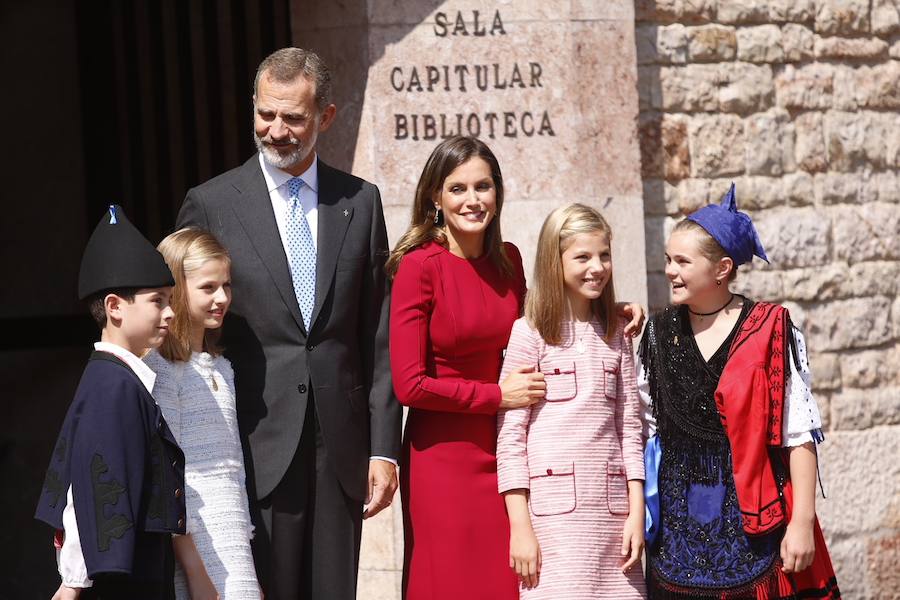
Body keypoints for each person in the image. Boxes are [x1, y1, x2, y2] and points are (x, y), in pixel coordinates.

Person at [176, 47, 401, 600]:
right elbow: (182, 331)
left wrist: (383, 447)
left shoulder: (361, 203)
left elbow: (379, 334)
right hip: (249, 443)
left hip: (340, 452)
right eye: (265, 114)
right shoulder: (210, 204)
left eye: (293, 118)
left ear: (325, 116)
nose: (275, 130)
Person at [388, 137, 645, 600]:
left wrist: (611, 307)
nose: (472, 200)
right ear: (435, 197)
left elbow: (543, 323)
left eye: (482, 186)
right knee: (452, 583)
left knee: (511, 586)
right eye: (458, 188)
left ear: (498, 191)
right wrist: (494, 396)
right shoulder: (418, 267)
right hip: (443, 459)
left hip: (508, 454)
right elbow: (409, 385)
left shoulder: (509, 260)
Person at [638, 184, 839, 599]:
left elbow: (798, 436)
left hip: (754, 522)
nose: (670, 271)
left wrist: (802, 522)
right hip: (675, 533)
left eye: (682, 261)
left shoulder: (769, 331)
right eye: (667, 260)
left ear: (722, 268)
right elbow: (642, 427)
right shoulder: (655, 333)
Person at [35, 205, 186, 599]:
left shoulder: (119, 379)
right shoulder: (112, 387)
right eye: (158, 301)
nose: (170, 313)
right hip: (123, 584)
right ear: (115, 307)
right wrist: (71, 585)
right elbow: (96, 489)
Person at [497, 203, 647, 599]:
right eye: (582, 256)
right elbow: (511, 440)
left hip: (614, 520)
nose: (596, 267)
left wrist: (636, 513)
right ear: (554, 260)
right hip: (553, 525)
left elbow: (630, 429)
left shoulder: (617, 334)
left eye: (604, 255)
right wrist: (521, 528)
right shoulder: (529, 334)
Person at [143, 228, 260, 599]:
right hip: (196, 542)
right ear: (176, 289)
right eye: (208, 288)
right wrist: (193, 568)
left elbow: (231, 471)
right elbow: (169, 473)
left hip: (233, 538)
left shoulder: (221, 367)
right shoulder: (162, 369)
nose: (222, 297)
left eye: (226, 285)